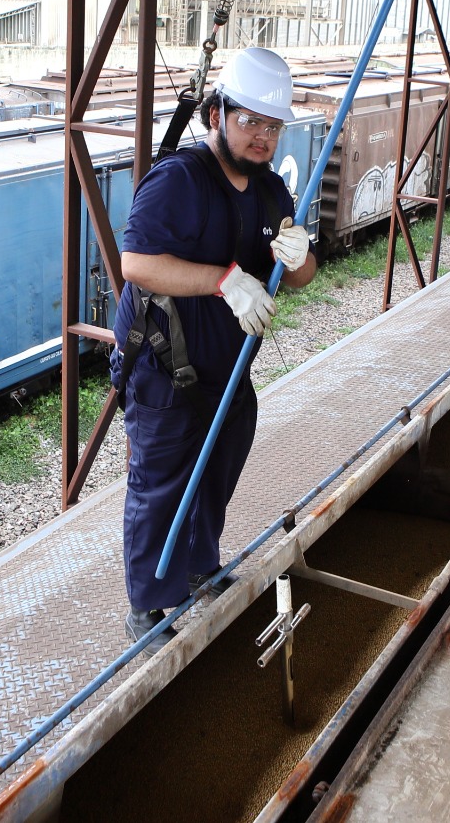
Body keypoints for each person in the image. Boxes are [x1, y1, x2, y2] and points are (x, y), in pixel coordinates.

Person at [110, 46, 318, 654]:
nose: (261, 135)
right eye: (249, 120)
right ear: (216, 114)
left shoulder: (271, 191)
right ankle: (147, 605)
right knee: (161, 483)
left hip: (226, 370)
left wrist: (301, 257)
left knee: (218, 467)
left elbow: (302, 276)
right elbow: (138, 263)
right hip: (163, 366)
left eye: (272, 125)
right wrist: (224, 278)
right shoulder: (178, 180)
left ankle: (199, 567)